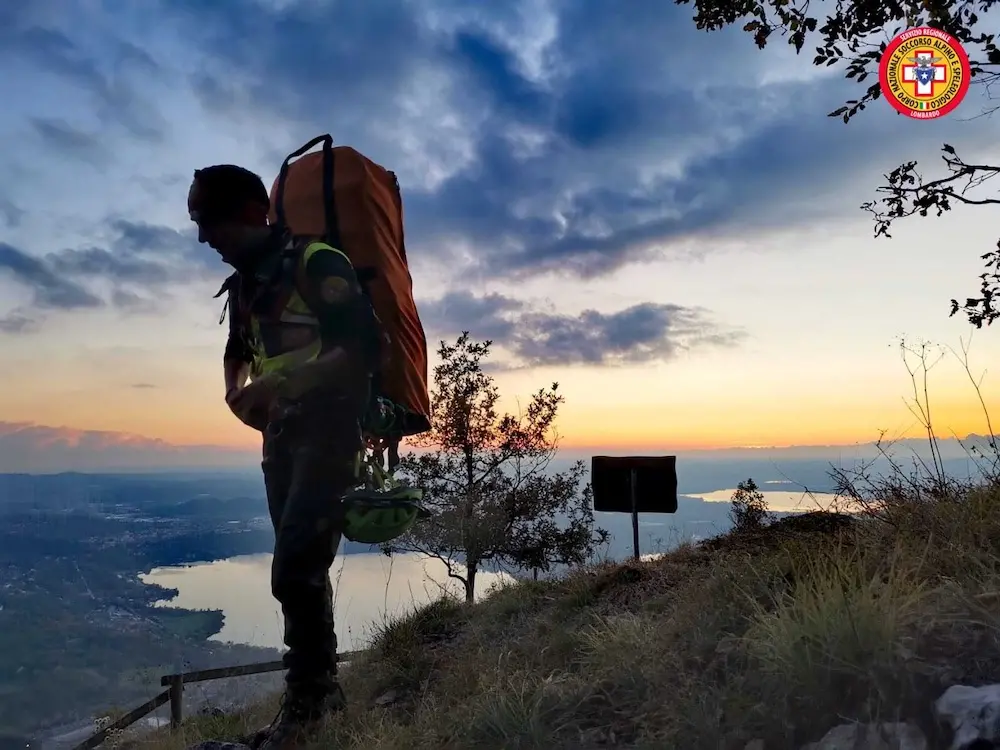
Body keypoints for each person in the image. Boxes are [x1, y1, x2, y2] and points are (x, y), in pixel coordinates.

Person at [187, 164, 381, 749]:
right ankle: (319, 702)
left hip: (331, 427)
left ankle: (308, 712)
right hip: (282, 437)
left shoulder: (316, 262)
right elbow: (236, 347)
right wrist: (234, 392)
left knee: (294, 567)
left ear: (251, 211)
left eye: (209, 222)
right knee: (301, 570)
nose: (204, 239)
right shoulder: (248, 280)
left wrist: (285, 384)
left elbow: (366, 347)